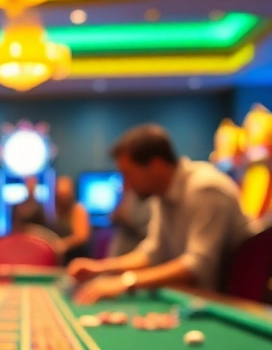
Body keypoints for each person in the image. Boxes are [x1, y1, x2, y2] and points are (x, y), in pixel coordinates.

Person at [68, 124, 246, 305]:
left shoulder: (205, 188)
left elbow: (198, 265)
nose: (125, 184)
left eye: (128, 174)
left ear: (155, 166)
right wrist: (99, 268)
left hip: (234, 302)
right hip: (203, 299)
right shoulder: (161, 195)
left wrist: (125, 282)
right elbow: (152, 253)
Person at [52, 175, 91, 260]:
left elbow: (81, 237)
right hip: (62, 258)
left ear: (71, 192)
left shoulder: (79, 209)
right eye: (60, 194)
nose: (62, 198)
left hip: (78, 257)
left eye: (65, 195)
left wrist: (63, 244)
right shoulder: (56, 211)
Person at [107, 187, 152, 258]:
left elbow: (146, 229)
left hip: (136, 253)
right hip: (118, 255)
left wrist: (125, 216)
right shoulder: (129, 194)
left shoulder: (153, 200)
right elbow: (111, 217)